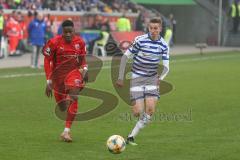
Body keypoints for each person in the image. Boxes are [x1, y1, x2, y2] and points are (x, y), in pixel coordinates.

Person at [116, 17, 170, 145]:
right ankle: (135, 103)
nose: (153, 30)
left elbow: (167, 66)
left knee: (150, 109)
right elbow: (125, 57)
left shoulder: (163, 45)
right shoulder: (140, 40)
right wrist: (120, 77)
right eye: (151, 28)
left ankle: (131, 136)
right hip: (137, 78)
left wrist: (160, 78)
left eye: (155, 28)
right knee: (137, 112)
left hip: (152, 78)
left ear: (160, 29)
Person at [43, 20, 88, 142]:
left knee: (74, 95)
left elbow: (82, 58)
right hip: (57, 76)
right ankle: (67, 101)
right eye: (65, 32)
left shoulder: (80, 42)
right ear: (62, 31)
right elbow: (47, 61)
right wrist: (48, 81)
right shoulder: (53, 42)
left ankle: (66, 131)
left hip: (73, 73)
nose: (68, 34)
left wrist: (84, 69)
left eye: (70, 31)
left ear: (74, 31)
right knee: (63, 107)